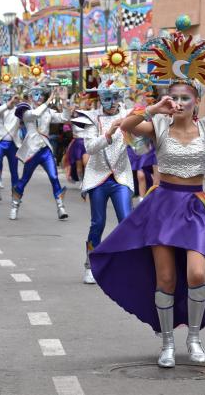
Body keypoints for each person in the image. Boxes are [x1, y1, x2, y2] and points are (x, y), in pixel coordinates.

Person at [88, 29, 205, 368]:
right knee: (166, 278)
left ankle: (194, 337)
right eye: (175, 97)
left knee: (197, 273)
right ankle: (167, 343)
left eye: (186, 97)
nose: (180, 102)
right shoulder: (160, 126)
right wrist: (154, 107)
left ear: (197, 99)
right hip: (162, 205)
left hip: (194, 207)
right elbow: (125, 124)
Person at [72, 70, 134, 285]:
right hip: (98, 177)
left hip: (121, 177)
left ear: (119, 97)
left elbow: (143, 141)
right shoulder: (90, 117)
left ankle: (126, 264)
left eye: (113, 97)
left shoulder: (130, 114)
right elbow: (89, 146)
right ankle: (90, 264)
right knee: (98, 222)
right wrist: (108, 134)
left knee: (126, 220)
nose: (109, 102)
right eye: (104, 98)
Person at [11, 84, 70, 220]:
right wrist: (50, 99)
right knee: (24, 180)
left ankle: (61, 207)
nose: (39, 97)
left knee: (54, 177)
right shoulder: (25, 110)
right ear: (30, 97)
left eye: (41, 95)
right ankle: (14, 205)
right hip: (32, 151)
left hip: (45, 150)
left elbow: (64, 118)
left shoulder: (48, 112)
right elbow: (36, 114)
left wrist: (64, 101)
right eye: (36, 94)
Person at [0, 89, 22, 202]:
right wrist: (9, 103)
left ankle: (15, 194)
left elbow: (30, 113)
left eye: (11, 97)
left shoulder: (18, 110)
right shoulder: (0, 109)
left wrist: (22, 101)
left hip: (13, 144)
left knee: (14, 170)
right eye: (7, 98)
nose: (10, 100)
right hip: (0, 143)